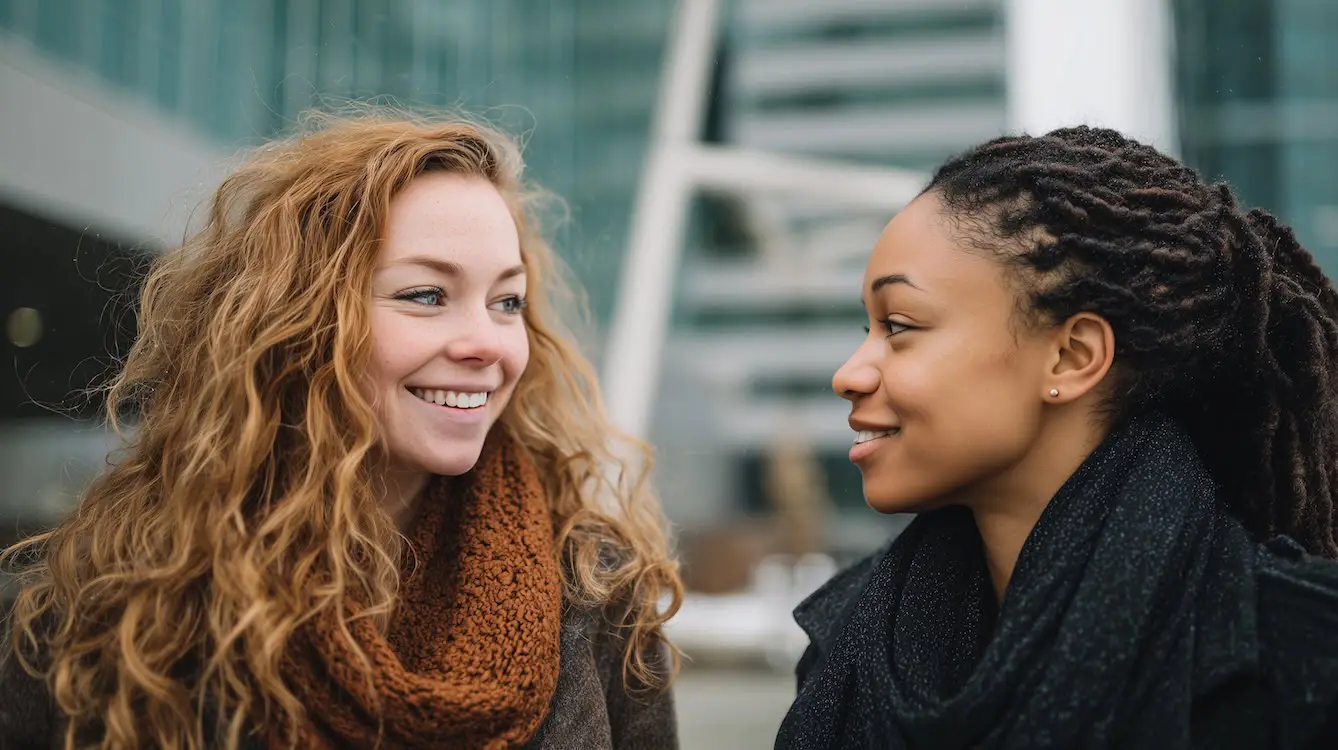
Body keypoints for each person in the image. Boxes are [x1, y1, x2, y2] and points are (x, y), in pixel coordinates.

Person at [0, 112, 682, 750]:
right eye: (426, 296)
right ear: (298, 322)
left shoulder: (596, 586)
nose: (489, 343)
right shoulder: (112, 604)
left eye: (508, 302)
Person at [775, 126, 1338, 749]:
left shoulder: (1299, 660)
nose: (848, 374)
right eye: (868, 329)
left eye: (900, 326)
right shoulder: (849, 651)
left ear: (1071, 357)